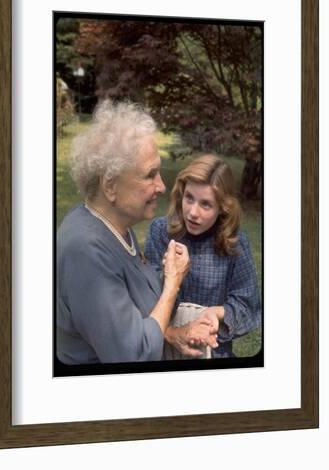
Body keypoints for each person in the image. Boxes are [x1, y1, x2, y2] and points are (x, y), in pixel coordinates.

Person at [56, 101, 217, 365]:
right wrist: (173, 284)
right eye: (150, 175)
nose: (162, 186)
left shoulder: (116, 228)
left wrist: (171, 331)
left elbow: (132, 309)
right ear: (110, 185)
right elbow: (134, 354)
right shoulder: (84, 250)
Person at [145, 154, 261, 358]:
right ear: (182, 194)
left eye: (206, 204)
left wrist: (216, 313)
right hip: (164, 346)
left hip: (211, 352)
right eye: (189, 198)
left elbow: (248, 306)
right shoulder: (161, 232)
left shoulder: (234, 243)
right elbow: (143, 298)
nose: (192, 213)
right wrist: (167, 276)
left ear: (222, 208)